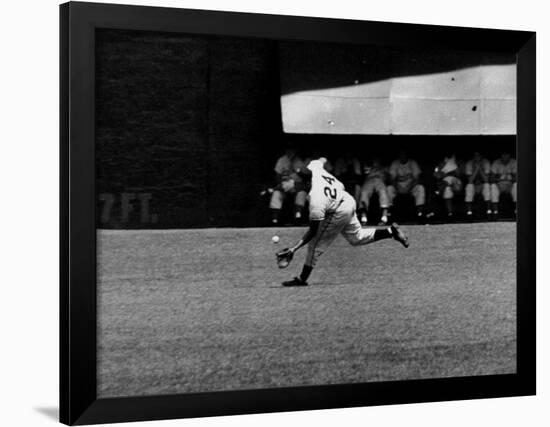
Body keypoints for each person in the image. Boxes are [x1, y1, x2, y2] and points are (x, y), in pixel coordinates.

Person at [275, 158, 409, 287]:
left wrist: (294, 248)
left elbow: (313, 231)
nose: (300, 186)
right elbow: (322, 159)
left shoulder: (316, 199)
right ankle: (391, 232)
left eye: (300, 183)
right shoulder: (316, 169)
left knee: (314, 245)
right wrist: (314, 165)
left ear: (307, 183)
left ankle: (301, 279)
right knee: (357, 237)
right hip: (348, 200)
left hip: (338, 210)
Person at [269, 147, 308, 224]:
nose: (290, 152)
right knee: (276, 194)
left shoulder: (299, 161)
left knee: (302, 193)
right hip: (284, 184)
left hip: (297, 185)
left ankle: (298, 216)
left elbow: (304, 176)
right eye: (288, 150)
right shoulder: (282, 160)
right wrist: (280, 184)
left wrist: (298, 172)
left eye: (292, 150)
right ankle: (274, 219)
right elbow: (277, 175)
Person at [387, 150, 426, 221]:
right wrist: (397, 188)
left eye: (404, 154)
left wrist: (410, 188)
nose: (403, 156)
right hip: (398, 186)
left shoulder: (412, 163)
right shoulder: (395, 163)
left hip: (411, 186)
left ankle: (420, 213)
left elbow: (417, 179)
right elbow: (391, 179)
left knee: (420, 188)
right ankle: (388, 214)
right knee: (389, 188)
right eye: (401, 154)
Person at [359, 156, 390, 225]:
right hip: (369, 181)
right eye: (374, 160)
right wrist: (371, 168)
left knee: (383, 192)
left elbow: (389, 176)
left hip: (379, 181)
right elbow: (364, 173)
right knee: (364, 192)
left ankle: (384, 216)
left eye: (377, 160)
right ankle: (363, 217)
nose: (376, 162)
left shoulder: (384, 168)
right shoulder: (367, 167)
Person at [433, 152, 462, 219]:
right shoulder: (438, 166)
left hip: (456, 185)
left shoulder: (452, 164)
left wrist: (448, 174)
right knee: (447, 189)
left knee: (449, 179)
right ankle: (450, 213)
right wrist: (443, 173)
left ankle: (439, 191)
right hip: (445, 185)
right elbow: (436, 176)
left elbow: (458, 174)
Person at [464, 151, 492, 218]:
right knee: (469, 186)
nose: (477, 157)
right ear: (473, 157)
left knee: (487, 185)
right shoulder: (469, 163)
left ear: (481, 156)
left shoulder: (486, 162)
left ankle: (489, 212)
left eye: (478, 155)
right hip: (473, 185)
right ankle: (469, 213)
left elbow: (486, 179)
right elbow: (470, 180)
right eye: (475, 156)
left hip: (482, 185)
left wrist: (479, 168)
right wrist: (476, 169)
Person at [490, 152, 517, 217]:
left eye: (506, 154)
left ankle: (517, 210)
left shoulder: (514, 162)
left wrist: (500, 177)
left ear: (509, 155)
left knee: (516, 185)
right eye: (503, 154)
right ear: (501, 156)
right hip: (500, 186)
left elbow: (517, 178)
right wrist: (508, 177)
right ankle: (495, 212)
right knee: (493, 186)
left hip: (510, 185)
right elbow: (492, 180)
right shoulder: (496, 163)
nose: (505, 156)